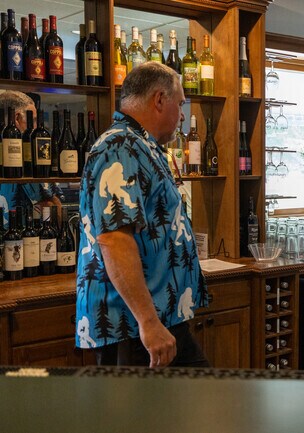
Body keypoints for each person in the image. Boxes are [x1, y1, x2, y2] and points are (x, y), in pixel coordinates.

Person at [75, 62, 209, 367]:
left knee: (189, 409)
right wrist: (148, 322)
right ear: (160, 100)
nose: (183, 115)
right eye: (180, 104)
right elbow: (114, 239)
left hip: (157, 318)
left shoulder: (139, 145)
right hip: (132, 325)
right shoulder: (120, 147)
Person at [0, 91, 62, 222]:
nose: (36, 126)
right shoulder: (26, 155)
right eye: (33, 120)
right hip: (28, 236)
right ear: (16, 118)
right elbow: (53, 209)